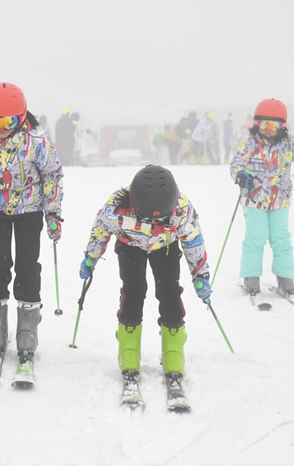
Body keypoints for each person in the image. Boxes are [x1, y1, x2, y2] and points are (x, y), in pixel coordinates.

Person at [79, 165, 210, 405]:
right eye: (147, 217)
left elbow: (193, 242)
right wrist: (91, 256)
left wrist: (200, 276)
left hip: (165, 247)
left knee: (169, 293)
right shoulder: (116, 207)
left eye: (160, 218)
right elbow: (100, 230)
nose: (153, 221)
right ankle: (129, 354)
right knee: (134, 291)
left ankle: (173, 354)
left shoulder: (182, 209)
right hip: (130, 246)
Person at [0, 82, 64, 372]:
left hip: (29, 212)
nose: (2, 127)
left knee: (28, 265)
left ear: (21, 117)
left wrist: (53, 213)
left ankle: (28, 327)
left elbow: (52, 176)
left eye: (9, 121)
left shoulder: (37, 142)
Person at [230, 98, 294, 297]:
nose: (268, 129)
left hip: (280, 199)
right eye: (263, 124)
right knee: (255, 238)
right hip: (254, 199)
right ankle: (251, 276)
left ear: (282, 125)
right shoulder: (249, 143)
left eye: (274, 125)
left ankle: (285, 277)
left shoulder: (290, 142)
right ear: (256, 123)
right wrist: (241, 175)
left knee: (281, 239)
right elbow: (237, 163)